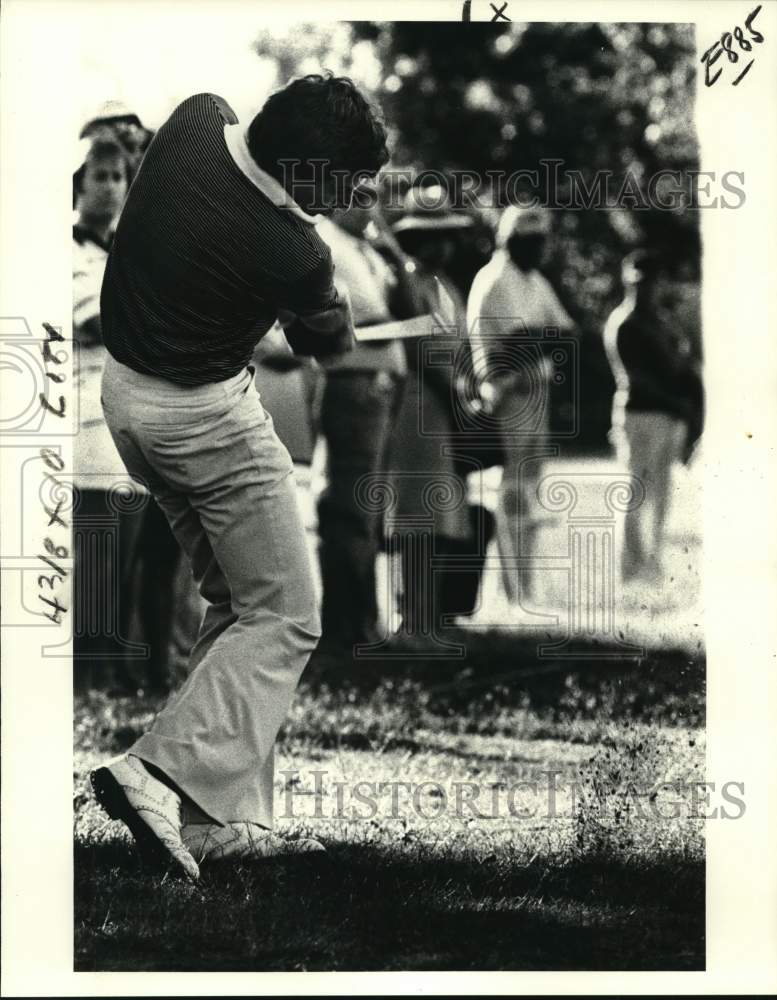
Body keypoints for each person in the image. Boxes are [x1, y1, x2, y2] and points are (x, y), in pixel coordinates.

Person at [90, 76, 389, 880]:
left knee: (236, 604)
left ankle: (217, 816)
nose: (344, 200)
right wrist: (319, 288)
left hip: (124, 401)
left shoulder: (193, 119)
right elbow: (330, 341)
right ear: (300, 166)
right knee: (287, 613)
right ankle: (157, 772)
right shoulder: (295, 248)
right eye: (337, 184)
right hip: (206, 419)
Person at [388, 186, 487, 634]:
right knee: (417, 514)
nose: (442, 245)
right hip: (419, 402)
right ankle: (413, 613)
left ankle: (436, 611)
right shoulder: (406, 282)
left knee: (446, 513)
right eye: (432, 236)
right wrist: (454, 394)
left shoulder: (445, 285)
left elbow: (460, 348)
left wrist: (466, 396)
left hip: (448, 404)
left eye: (447, 235)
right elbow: (421, 350)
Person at [466, 205, 575, 606]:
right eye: (533, 241)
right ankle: (513, 592)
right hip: (507, 396)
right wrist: (538, 339)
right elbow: (516, 345)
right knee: (511, 497)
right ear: (511, 240)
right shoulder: (496, 278)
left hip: (535, 395)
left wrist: (536, 339)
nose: (541, 249)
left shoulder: (534, 280)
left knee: (528, 496)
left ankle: (523, 589)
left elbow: (566, 334)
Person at [314, 205, 408, 649]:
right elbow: (359, 319)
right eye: (358, 189)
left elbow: (408, 298)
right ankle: (346, 626)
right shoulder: (327, 242)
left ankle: (362, 621)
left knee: (368, 510)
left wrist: (391, 247)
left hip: (381, 385)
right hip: (354, 383)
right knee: (351, 508)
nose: (370, 203)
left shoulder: (366, 249)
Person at [603, 249, 699, 584]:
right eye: (638, 283)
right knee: (635, 493)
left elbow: (681, 366)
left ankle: (652, 565)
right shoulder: (625, 323)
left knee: (660, 495)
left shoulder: (661, 322)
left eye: (650, 283)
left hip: (666, 416)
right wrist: (679, 404)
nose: (645, 290)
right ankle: (630, 569)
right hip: (640, 415)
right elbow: (638, 380)